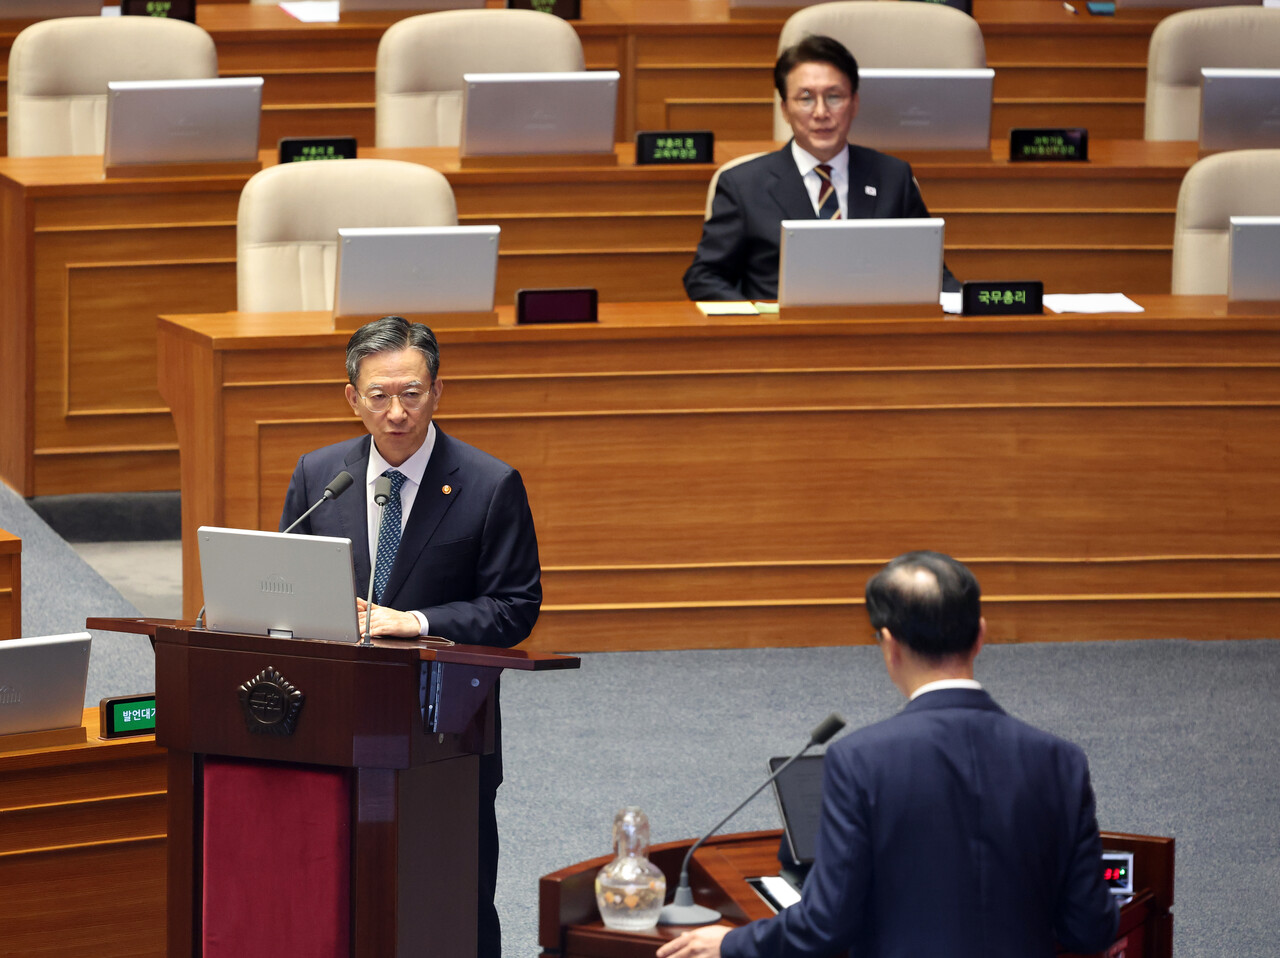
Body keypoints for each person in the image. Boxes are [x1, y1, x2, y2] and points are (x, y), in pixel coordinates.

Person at [657, 551, 1119, 958]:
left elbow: (826, 925)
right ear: (980, 635)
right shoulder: (1061, 761)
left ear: (889, 644)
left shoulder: (859, 760)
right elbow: (1090, 927)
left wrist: (732, 944)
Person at [278, 315, 541, 958]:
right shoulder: (319, 476)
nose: (396, 412)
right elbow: (287, 579)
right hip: (336, 718)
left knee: (452, 891)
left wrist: (416, 622)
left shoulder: (489, 484)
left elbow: (514, 607)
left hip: (445, 727)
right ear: (352, 398)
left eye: (412, 394)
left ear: (437, 391)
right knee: (342, 888)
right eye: (379, 395)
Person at [683, 35, 958, 301]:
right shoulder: (743, 185)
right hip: (781, 329)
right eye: (805, 98)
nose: (821, 113)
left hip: (874, 327)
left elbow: (932, 273)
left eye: (834, 97)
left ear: (854, 104)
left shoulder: (892, 177)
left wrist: (961, 302)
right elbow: (705, 276)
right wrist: (755, 319)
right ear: (785, 109)